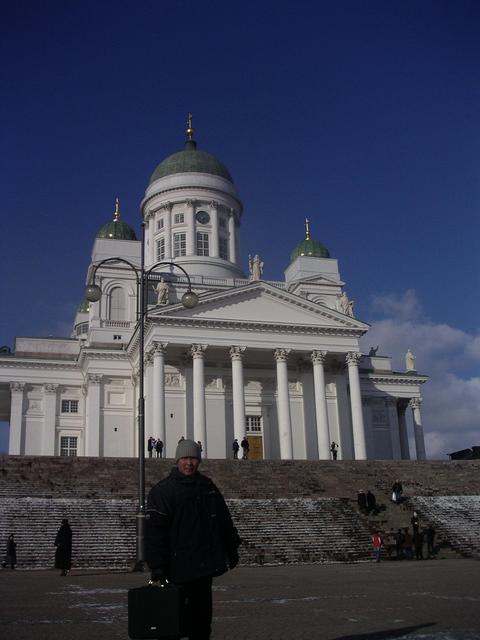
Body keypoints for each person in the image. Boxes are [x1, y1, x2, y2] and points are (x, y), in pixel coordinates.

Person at [145, 439, 241, 640]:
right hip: (176, 568)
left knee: (202, 623)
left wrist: (231, 547)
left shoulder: (207, 486)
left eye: (194, 459)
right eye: (185, 458)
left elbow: (223, 519)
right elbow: (155, 532)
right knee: (174, 622)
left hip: (203, 567)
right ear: (177, 460)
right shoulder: (164, 490)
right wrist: (157, 566)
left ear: (199, 461)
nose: (189, 463)